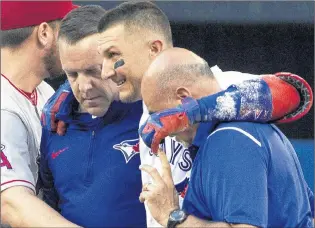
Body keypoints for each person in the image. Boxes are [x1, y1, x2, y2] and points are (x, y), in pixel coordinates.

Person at [43, 1, 312, 227]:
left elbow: (295, 92)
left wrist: (192, 112)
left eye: (114, 56)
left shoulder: (213, 86)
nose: (106, 71)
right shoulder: (143, 106)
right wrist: (67, 93)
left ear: (155, 49)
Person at [138, 47, 314, 228]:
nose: (157, 127)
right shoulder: (260, 131)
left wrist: (171, 216)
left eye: (157, 114)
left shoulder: (227, 140)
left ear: (183, 98)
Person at [39, 5, 146, 227]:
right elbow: (50, 204)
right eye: (73, 74)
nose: (85, 86)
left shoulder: (152, 109)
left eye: (93, 71)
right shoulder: (55, 124)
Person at [0, 1, 83, 227]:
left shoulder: (44, 91)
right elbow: (10, 204)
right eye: (66, 30)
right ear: (44, 32)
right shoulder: (4, 107)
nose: (72, 40)